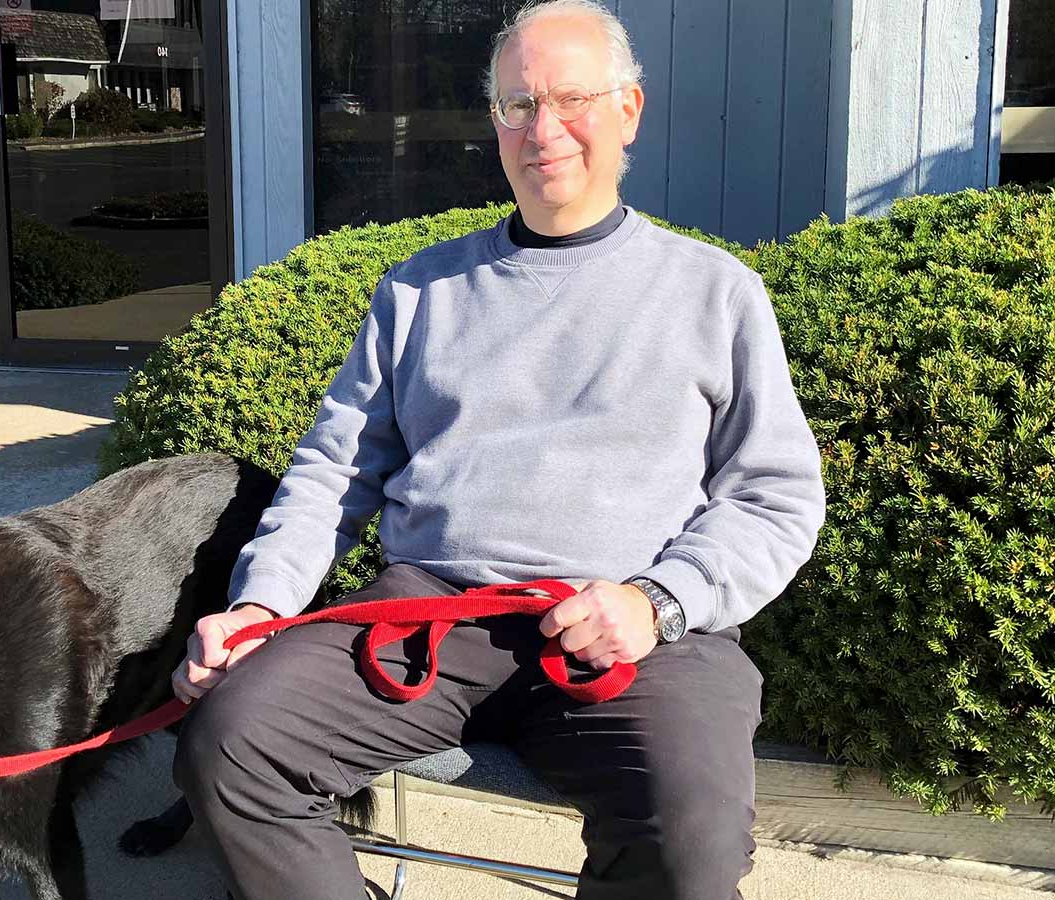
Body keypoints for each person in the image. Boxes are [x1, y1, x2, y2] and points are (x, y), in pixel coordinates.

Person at [169, 1, 825, 896]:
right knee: (234, 741)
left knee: (691, 834)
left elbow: (775, 498)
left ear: (629, 109)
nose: (542, 128)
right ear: (495, 124)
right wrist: (260, 607)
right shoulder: (421, 291)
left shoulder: (714, 293)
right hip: (427, 614)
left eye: (571, 99)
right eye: (518, 105)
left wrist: (659, 601)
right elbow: (332, 474)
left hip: (635, 630)